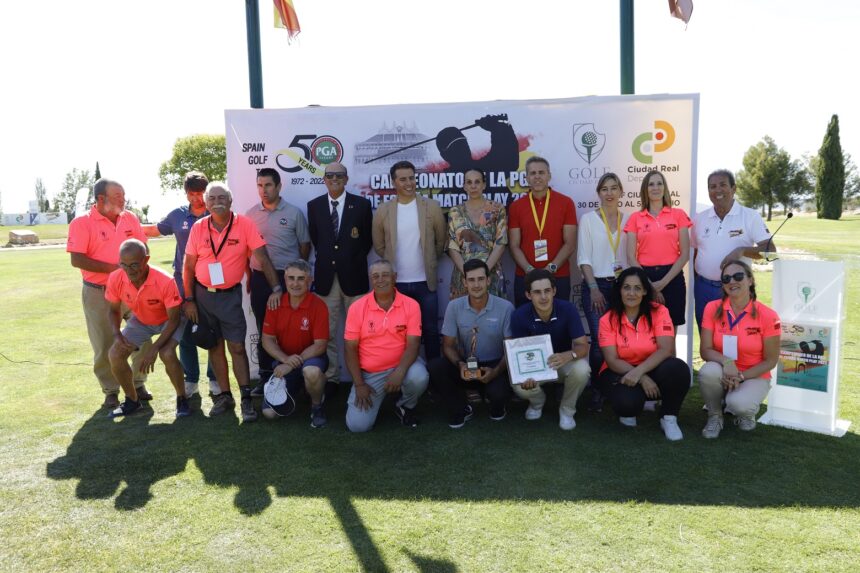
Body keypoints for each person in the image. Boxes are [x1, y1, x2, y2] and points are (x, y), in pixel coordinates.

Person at [183, 182, 283, 423]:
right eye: (212, 198)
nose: (217, 201)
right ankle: (225, 396)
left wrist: (277, 288)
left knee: (237, 347)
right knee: (214, 346)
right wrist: (189, 299)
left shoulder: (245, 224)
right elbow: (188, 266)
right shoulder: (198, 228)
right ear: (206, 203)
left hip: (230, 296)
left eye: (222, 197)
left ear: (230, 200)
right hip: (202, 296)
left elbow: (262, 258)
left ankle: (246, 398)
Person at [67, 178, 150, 409]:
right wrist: (116, 269)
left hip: (132, 290)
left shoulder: (130, 218)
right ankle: (111, 391)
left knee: (143, 337)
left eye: (123, 195)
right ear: (101, 199)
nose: (123, 200)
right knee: (104, 344)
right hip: (99, 292)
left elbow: (143, 247)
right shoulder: (81, 223)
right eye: (117, 196)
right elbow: (77, 259)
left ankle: (138, 384)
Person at [143, 171, 218, 399]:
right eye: (192, 194)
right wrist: (126, 224)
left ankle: (214, 378)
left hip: (211, 281)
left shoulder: (217, 212)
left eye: (200, 193)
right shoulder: (177, 215)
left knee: (213, 330)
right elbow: (154, 230)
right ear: (186, 194)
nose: (197, 198)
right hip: (182, 282)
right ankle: (191, 380)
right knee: (184, 333)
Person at [596, 267, 691, 441]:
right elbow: (612, 360)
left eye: (637, 288)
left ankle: (669, 417)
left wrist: (640, 372)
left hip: (652, 367)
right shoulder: (607, 319)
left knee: (678, 369)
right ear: (619, 290)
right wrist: (642, 378)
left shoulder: (659, 311)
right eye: (626, 287)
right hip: (621, 370)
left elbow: (666, 349)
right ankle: (631, 408)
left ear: (645, 291)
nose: (631, 293)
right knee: (626, 404)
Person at [307, 162, 373, 387]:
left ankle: (362, 379)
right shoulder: (314, 206)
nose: (334, 178)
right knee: (327, 333)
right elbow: (317, 240)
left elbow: (366, 241)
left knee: (360, 334)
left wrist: (349, 259)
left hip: (355, 277)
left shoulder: (362, 205)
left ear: (346, 179)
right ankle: (331, 379)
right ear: (324, 179)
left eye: (339, 175)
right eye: (330, 175)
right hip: (326, 280)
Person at [372, 160, 446, 361]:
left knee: (431, 331)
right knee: (397, 333)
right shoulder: (383, 210)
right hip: (396, 285)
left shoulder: (431, 207)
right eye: (403, 179)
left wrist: (429, 260)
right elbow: (379, 246)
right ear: (393, 182)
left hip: (426, 283)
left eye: (412, 178)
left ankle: (434, 374)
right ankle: (401, 374)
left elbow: (440, 242)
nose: (408, 183)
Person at [343, 260, 430, 432]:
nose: (380, 280)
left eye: (385, 275)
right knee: (357, 426)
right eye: (376, 276)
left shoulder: (411, 305)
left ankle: (404, 405)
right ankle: (383, 397)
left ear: (395, 277)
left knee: (419, 377)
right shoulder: (357, 307)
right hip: (370, 374)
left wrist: (400, 372)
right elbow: (350, 348)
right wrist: (359, 384)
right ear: (371, 279)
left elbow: (413, 344)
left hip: (402, 366)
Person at [105, 239, 188, 418]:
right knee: (115, 354)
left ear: (146, 259)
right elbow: (113, 310)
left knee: (167, 353)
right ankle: (132, 401)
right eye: (123, 265)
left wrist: (154, 348)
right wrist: (117, 334)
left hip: (170, 320)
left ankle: (182, 398)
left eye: (134, 265)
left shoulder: (164, 280)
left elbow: (174, 319)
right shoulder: (116, 277)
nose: (129, 270)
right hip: (142, 320)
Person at [698, 260, 781, 438]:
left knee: (738, 404)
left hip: (754, 374)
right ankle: (715, 415)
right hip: (723, 369)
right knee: (708, 371)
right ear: (723, 285)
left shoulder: (768, 315)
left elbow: (771, 360)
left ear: (750, 280)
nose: (732, 281)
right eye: (726, 278)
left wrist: (741, 376)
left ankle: (745, 413)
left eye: (738, 276)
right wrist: (727, 362)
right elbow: (705, 350)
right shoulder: (712, 308)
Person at [246, 167, 311, 392]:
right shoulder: (250, 214)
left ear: (279, 186)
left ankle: (295, 375)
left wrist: (295, 275)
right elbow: (247, 249)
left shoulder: (294, 213)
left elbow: (304, 245)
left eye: (268, 185)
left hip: (288, 279)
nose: (263, 190)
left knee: (290, 327)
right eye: (259, 185)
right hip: (260, 279)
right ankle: (265, 376)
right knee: (263, 326)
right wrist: (250, 276)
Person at [429, 259, 514, 428]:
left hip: (494, 365)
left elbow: (510, 349)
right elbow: (447, 346)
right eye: (471, 280)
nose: (476, 285)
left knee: (498, 394)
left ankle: (496, 404)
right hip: (466, 364)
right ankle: (461, 408)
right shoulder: (454, 306)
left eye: (481, 279)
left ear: (488, 280)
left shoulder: (505, 307)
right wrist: (460, 364)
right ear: (464, 282)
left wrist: (495, 372)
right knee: (436, 366)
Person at [509, 268, 591, 430]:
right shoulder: (519, 315)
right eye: (537, 292)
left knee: (582, 369)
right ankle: (537, 402)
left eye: (547, 291)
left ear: (554, 291)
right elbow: (519, 356)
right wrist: (525, 374)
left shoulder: (568, 309)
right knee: (518, 383)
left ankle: (567, 410)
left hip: (562, 363)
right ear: (528, 295)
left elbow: (583, 346)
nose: (543, 297)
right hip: (535, 366)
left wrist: (569, 355)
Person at [692, 169, 773, 328]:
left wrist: (741, 251)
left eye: (723, 185)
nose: (718, 190)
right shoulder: (699, 219)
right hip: (703, 288)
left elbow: (769, 250)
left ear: (733, 188)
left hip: (736, 287)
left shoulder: (750, 216)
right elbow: (696, 251)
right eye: (712, 187)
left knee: (736, 334)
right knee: (706, 334)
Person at [576, 172, 630, 409]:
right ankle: (597, 390)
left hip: (623, 288)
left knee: (621, 341)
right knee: (599, 342)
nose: (609, 193)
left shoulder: (630, 220)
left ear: (621, 192)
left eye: (614, 188)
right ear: (598, 193)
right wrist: (594, 288)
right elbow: (583, 258)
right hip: (596, 285)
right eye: (605, 189)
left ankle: (617, 385)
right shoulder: (588, 219)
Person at [260, 260, 330, 427]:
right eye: (291, 278)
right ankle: (302, 388)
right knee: (269, 413)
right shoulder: (275, 303)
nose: (295, 283)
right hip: (285, 361)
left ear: (309, 280)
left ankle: (317, 406)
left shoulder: (319, 305)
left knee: (311, 372)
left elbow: (320, 345)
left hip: (311, 359)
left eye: (301, 278)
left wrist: (290, 364)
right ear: (285, 279)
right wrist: (285, 360)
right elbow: (267, 340)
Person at [624, 170, 692, 328]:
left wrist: (662, 283)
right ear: (645, 189)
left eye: (659, 183)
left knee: (670, 328)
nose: (656, 187)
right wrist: (649, 285)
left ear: (665, 188)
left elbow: (685, 254)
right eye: (651, 184)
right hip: (644, 276)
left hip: (672, 277)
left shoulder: (678, 214)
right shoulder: (635, 218)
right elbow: (631, 257)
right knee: (646, 328)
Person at [508, 156, 578, 308]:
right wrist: (530, 270)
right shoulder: (516, 207)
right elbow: (514, 245)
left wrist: (550, 269)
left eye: (541, 172)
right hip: (525, 276)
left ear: (549, 176)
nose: (537, 176)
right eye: (532, 173)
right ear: (527, 178)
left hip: (558, 276)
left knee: (559, 319)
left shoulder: (566, 203)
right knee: (526, 320)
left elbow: (570, 244)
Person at [446, 168, 508, 299]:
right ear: (464, 186)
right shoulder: (455, 211)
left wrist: (484, 273)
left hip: (491, 274)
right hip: (463, 275)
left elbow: (501, 243)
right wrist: (467, 274)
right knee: (463, 311)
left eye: (477, 182)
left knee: (493, 310)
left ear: (484, 185)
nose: (473, 186)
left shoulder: (497, 209)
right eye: (469, 182)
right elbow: (452, 246)